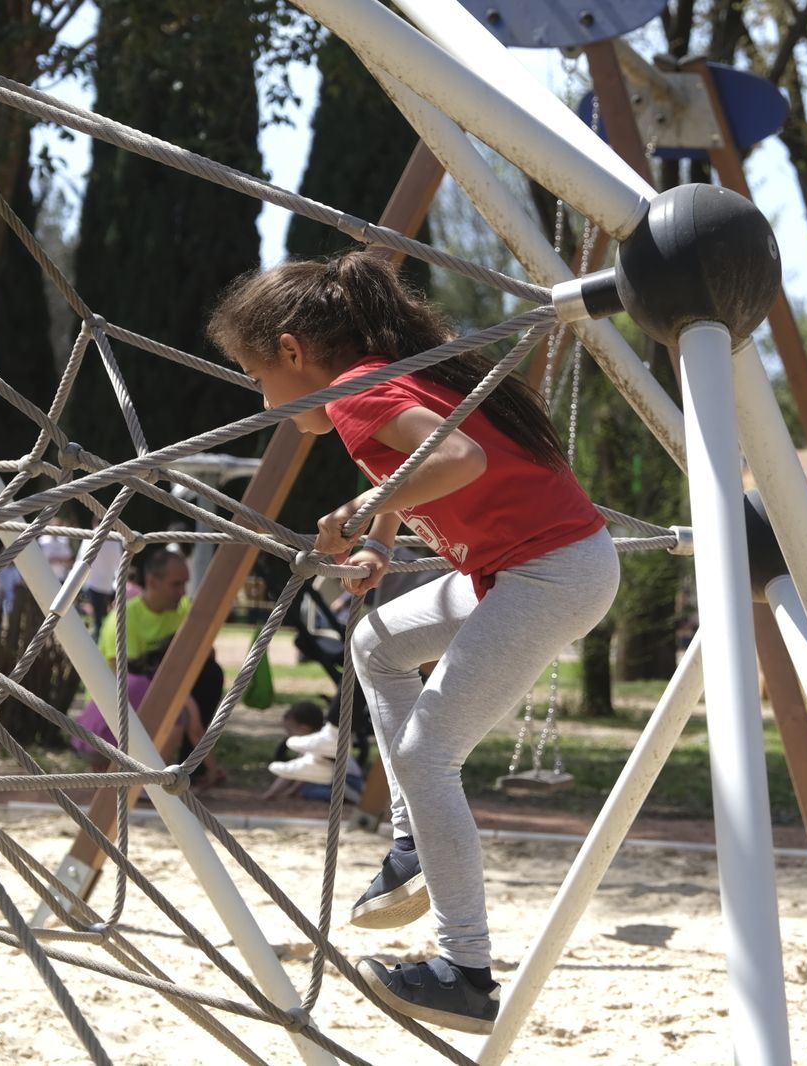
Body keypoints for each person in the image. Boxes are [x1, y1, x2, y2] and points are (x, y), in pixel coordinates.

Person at [208, 250, 619, 1035]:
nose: (261, 395)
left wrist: (365, 505)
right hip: (523, 567)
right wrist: (379, 544)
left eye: (257, 373)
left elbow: (457, 458)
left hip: (549, 572)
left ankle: (463, 972)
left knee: (431, 754)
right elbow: (422, 462)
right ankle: (411, 849)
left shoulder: (358, 399)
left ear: (292, 352)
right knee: (378, 645)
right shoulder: (371, 384)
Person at [97, 547, 225, 755]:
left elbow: (207, 655)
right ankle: (149, 773)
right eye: (176, 584)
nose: (183, 591)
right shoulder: (124, 617)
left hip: (167, 689)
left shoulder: (183, 609)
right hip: (124, 700)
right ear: (153, 582)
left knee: (210, 673)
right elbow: (126, 678)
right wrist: (187, 704)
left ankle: (191, 760)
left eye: (185, 583)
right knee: (177, 714)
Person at [72, 641, 226, 786]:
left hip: (84, 742)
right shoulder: (168, 683)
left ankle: (112, 773)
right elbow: (196, 731)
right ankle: (148, 785)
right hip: (106, 750)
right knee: (178, 720)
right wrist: (212, 771)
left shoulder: (134, 672)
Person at [262, 700, 364, 803]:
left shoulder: (316, 745)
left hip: (346, 779)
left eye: (290, 731)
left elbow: (295, 776)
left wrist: (273, 792)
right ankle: (347, 793)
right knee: (309, 786)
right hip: (352, 779)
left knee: (307, 791)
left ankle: (342, 795)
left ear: (304, 729)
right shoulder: (320, 741)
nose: (288, 735)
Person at [83, 535, 125, 638]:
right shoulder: (114, 541)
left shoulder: (89, 537)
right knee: (104, 614)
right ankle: (103, 636)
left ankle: (99, 638)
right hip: (107, 585)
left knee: (97, 616)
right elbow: (118, 563)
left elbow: (82, 560)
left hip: (93, 583)